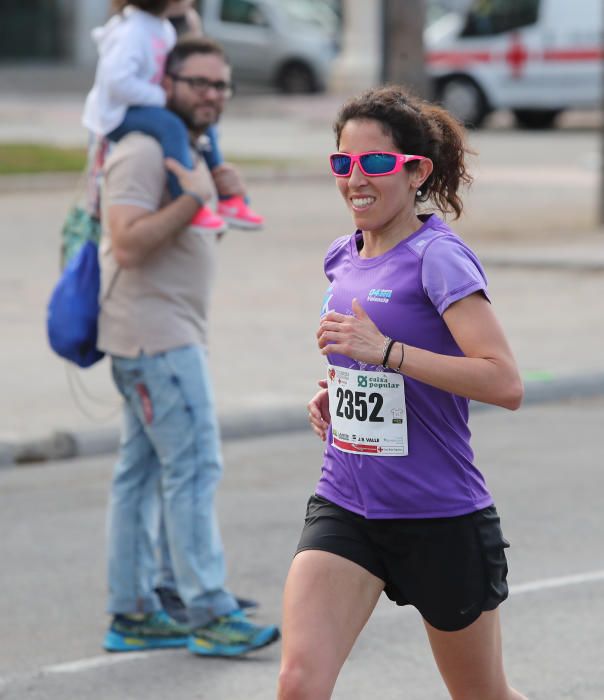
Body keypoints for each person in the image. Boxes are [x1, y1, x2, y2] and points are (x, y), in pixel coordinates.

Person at [277, 85, 527, 699]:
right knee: (298, 685)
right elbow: (367, 369)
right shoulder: (343, 256)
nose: (355, 178)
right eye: (343, 163)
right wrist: (339, 393)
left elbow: (504, 381)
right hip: (348, 502)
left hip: (439, 515)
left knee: (483, 696)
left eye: (376, 163)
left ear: (416, 171)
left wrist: (386, 352)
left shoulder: (439, 260)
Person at [98, 34, 279, 657]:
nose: (210, 95)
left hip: (157, 335)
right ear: (165, 84)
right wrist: (195, 200)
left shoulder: (190, 149)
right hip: (158, 341)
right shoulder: (145, 149)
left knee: (141, 474)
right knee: (195, 467)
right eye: (197, 82)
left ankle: (136, 609)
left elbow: (188, 240)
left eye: (220, 85)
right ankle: (207, 611)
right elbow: (126, 242)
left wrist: (220, 200)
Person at [84, 0, 262, 234]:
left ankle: (228, 198)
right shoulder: (132, 31)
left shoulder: (162, 28)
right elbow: (116, 83)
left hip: (145, 104)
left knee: (203, 125)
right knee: (173, 127)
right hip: (119, 113)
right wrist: (161, 97)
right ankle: (187, 199)